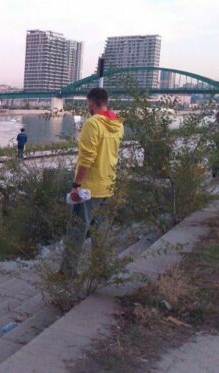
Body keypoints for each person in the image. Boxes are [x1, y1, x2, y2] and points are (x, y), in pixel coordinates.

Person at [60, 88, 124, 277]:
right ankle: (100, 270)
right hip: (108, 185)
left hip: (89, 188)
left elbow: (87, 158)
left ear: (91, 102)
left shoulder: (92, 124)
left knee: (77, 231)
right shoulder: (118, 124)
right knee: (100, 231)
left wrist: (76, 185)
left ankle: (68, 272)